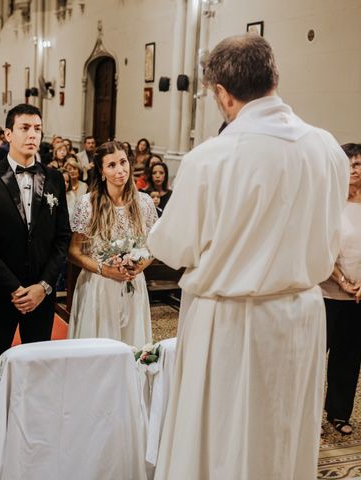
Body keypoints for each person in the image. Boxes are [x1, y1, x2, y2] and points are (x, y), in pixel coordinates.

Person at [148, 35, 349, 480]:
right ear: (274, 78)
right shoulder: (328, 149)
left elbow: (170, 246)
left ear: (222, 93)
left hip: (230, 323)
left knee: (223, 445)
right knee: (283, 437)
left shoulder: (212, 158)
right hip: (301, 315)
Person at [0, 103, 71, 420]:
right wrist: (15, 287)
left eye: (37, 128)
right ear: (8, 133)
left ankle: (34, 433)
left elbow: (62, 237)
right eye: (25, 128)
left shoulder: (54, 178)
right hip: (1, 294)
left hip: (41, 296)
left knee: (39, 369)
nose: (32, 134)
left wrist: (42, 286)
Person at [67, 141, 157, 347]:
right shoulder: (88, 204)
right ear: (101, 171)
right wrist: (104, 270)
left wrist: (140, 265)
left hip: (133, 284)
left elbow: (153, 246)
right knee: (98, 349)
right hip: (98, 286)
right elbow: (73, 252)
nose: (120, 170)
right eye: (112, 165)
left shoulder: (144, 203)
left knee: (132, 346)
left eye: (123, 162)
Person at [319, 142, 361, 436]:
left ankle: (338, 412)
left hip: (358, 299)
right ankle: (306, 416)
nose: (354, 170)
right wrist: (343, 281)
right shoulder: (328, 202)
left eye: (358, 164)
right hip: (326, 293)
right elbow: (319, 246)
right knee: (313, 356)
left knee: (349, 357)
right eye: (349, 164)